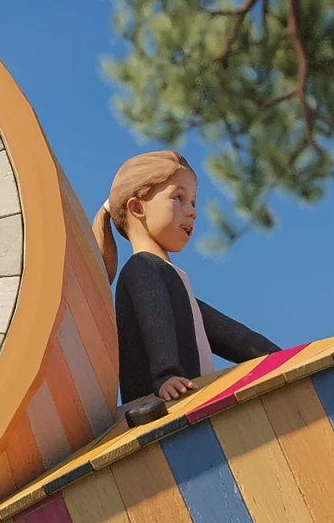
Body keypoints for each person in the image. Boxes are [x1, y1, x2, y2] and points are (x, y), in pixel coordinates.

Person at [93, 150, 279, 404]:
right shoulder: (142, 267)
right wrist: (165, 375)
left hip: (188, 399)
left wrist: (277, 356)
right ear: (137, 208)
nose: (192, 211)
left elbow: (227, 333)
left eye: (193, 201)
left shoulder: (171, 279)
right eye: (178, 198)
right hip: (162, 405)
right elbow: (154, 323)